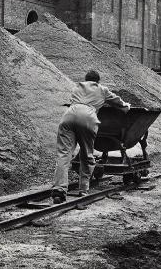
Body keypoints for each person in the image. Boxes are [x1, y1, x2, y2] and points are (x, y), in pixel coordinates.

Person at [51, 70, 131, 204]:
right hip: (88, 118)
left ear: (85, 79)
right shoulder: (102, 89)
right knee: (86, 154)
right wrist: (126, 106)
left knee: (64, 154)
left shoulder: (77, 86)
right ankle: (83, 189)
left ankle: (59, 190)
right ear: (97, 81)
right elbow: (117, 102)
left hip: (69, 116)